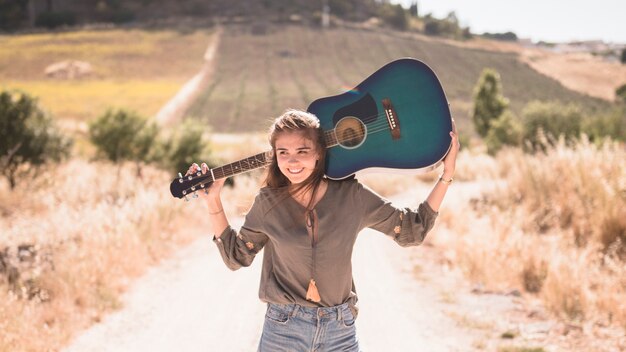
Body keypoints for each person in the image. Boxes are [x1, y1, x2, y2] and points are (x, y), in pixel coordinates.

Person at [186, 109, 460, 352]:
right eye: (284, 153)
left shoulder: (352, 196)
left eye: (302, 151)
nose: (293, 162)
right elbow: (237, 257)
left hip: (339, 330)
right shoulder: (267, 202)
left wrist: (446, 176)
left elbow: (412, 230)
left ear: (319, 153)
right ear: (275, 157)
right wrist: (213, 201)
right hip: (283, 329)